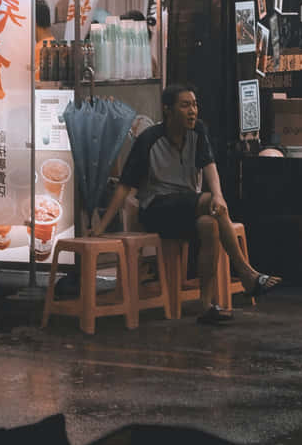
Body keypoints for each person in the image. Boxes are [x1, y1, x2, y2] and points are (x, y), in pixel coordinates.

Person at [92, 84, 281, 325]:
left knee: (209, 225)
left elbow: (209, 166)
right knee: (207, 203)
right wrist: (102, 226)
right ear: (168, 110)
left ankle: (206, 305)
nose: (192, 111)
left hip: (189, 206)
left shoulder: (198, 131)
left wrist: (219, 196)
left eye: (194, 105)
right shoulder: (149, 140)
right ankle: (246, 273)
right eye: (185, 105)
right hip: (156, 209)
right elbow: (124, 186)